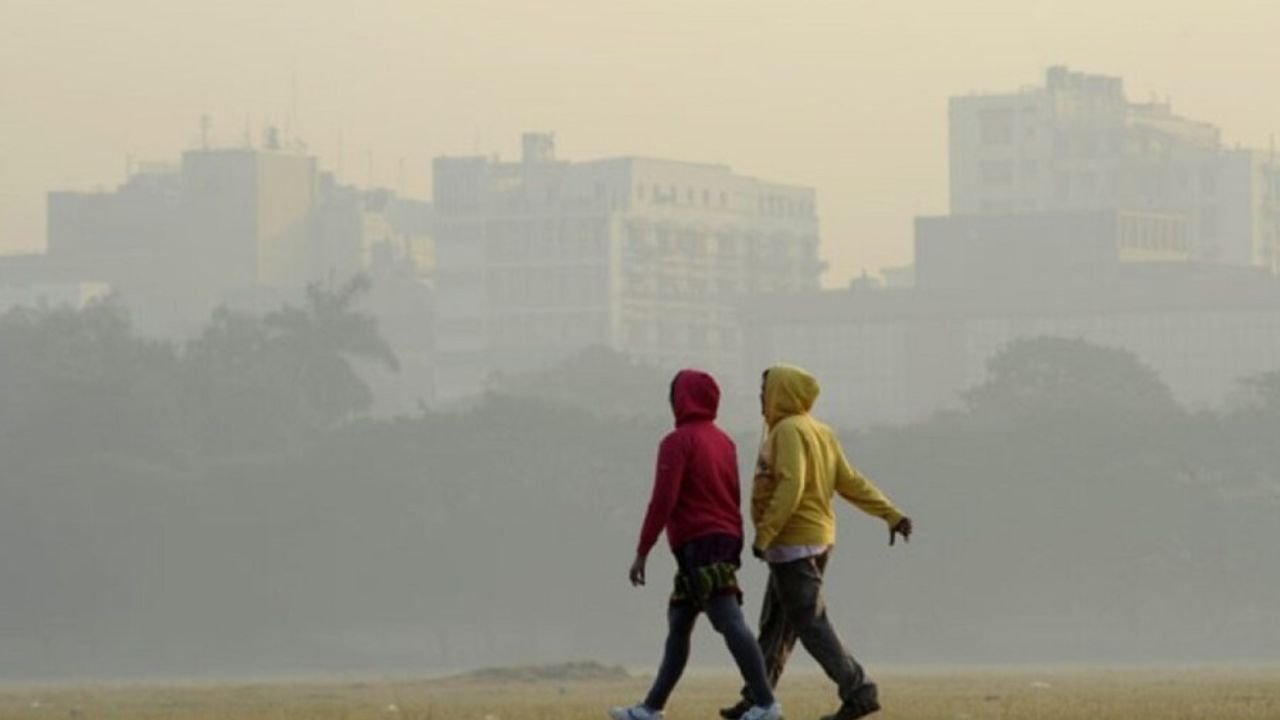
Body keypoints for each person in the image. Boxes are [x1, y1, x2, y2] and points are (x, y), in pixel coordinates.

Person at [720, 365, 913, 720]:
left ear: (783, 393)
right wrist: (891, 513)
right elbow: (850, 481)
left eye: (766, 390)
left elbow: (790, 484)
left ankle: (858, 689)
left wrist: (765, 535)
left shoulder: (787, 431)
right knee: (777, 624)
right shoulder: (820, 431)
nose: (761, 398)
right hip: (816, 539)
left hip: (792, 541)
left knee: (810, 622)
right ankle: (756, 699)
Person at [609, 369, 783, 720]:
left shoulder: (677, 442)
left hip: (700, 543)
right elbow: (732, 495)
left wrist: (643, 550)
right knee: (679, 623)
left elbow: (663, 499)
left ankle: (766, 704)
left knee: (728, 619)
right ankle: (651, 708)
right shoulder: (724, 441)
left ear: (681, 399)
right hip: (723, 537)